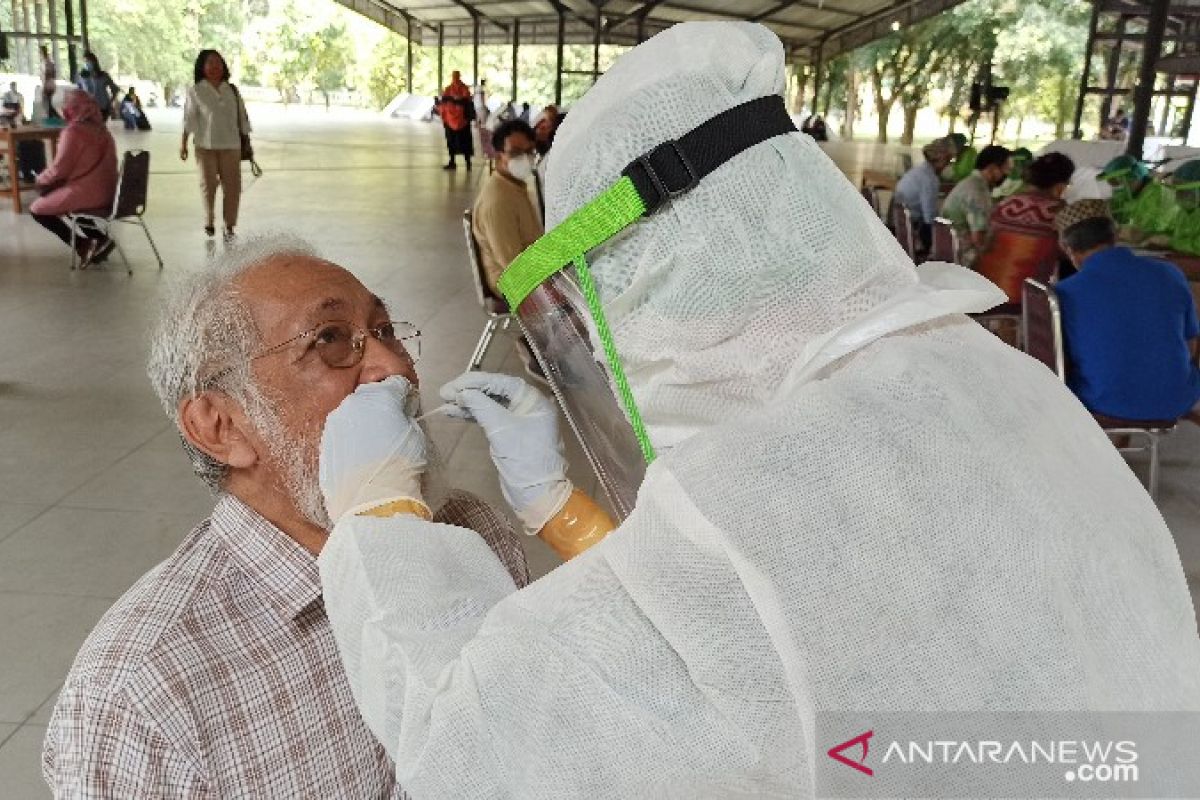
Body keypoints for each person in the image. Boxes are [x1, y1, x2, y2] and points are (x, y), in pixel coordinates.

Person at [316, 23, 1200, 798]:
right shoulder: (1008, 387)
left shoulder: (755, 503)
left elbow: (473, 755)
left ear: (634, 278)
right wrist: (563, 510)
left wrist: (378, 518)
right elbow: (796, 651)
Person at [43, 237, 533, 798]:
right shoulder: (145, 694)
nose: (395, 368)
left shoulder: (473, 533)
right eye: (328, 340)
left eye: (385, 331)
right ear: (221, 427)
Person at [1055, 200, 1200, 423]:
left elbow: (1062, 360)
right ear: (1114, 237)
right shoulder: (1170, 273)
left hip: (1106, 401)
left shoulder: (1063, 293)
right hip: (1177, 397)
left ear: (1069, 249)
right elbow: (1190, 345)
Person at [28, 90, 117, 267]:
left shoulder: (73, 132)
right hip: (110, 193)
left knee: (37, 209)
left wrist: (40, 181)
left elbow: (59, 170)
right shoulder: (103, 130)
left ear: (71, 109)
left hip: (87, 193)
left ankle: (83, 245)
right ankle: (100, 239)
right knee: (72, 205)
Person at [976, 151, 1075, 302]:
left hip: (981, 291)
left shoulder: (1007, 204)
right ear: (1060, 187)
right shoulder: (1060, 212)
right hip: (1019, 300)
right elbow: (1071, 253)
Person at [181, 49, 251, 241]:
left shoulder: (231, 90)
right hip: (205, 147)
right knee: (208, 185)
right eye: (210, 63)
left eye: (218, 63)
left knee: (233, 187)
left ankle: (229, 225)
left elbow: (242, 117)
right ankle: (209, 220)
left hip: (231, 145)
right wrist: (184, 143)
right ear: (202, 67)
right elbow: (189, 118)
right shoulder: (196, 91)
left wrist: (246, 139)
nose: (214, 67)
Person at [471, 120, 543, 293]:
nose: (525, 159)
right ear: (499, 155)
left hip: (531, 268)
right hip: (513, 285)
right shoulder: (498, 201)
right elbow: (514, 266)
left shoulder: (513, 186)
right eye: (516, 153)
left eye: (529, 152)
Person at [939, 144, 1012, 266]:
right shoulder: (978, 191)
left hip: (948, 251)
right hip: (963, 256)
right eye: (1006, 169)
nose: (1008, 174)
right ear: (992, 168)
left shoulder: (970, 183)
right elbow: (979, 239)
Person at [893, 137, 953, 250]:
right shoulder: (929, 179)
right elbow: (929, 217)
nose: (948, 165)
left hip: (899, 224)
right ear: (941, 160)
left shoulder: (918, 170)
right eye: (948, 161)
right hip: (913, 225)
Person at [439, 70, 474, 170]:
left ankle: (467, 162)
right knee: (451, 142)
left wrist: (453, 100)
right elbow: (444, 101)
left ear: (459, 76)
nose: (455, 78)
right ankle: (452, 162)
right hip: (450, 120)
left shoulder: (464, 88)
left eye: (456, 76)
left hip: (462, 120)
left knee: (465, 142)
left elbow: (465, 100)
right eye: (454, 76)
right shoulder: (449, 88)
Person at [76, 51, 119, 120]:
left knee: (100, 128)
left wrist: (110, 102)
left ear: (95, 62)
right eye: (85, 62)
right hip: (88, 109)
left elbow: (115, 89)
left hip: (102, 108)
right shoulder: (81, 77)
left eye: (89, 61)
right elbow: (78, 93)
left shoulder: (103, 75)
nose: (87, 63)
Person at [40, 44, 59, 119]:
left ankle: (54, 116)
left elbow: (48, 73)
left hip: (48, 84)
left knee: (46, 102)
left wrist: (44, 82)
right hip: (49, 83)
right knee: (48, 103)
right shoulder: (48, 61)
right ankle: (52, 116)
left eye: (40, 52)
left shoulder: (47, 61)